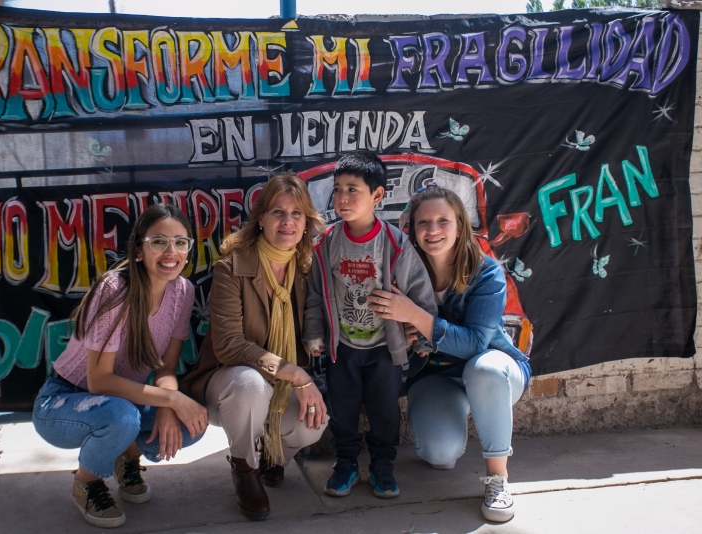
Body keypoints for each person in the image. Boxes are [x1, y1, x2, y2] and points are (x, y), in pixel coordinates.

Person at [32, 203, 209, 529]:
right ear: (139, 250)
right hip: (63, 400)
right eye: (159, 241)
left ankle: (126, 456)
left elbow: (166, 370)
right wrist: (170, 398)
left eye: (181, 242)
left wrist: (170, 406)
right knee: (121, 416)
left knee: (191, 423)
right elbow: (99, 382)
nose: (171, 251)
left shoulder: (183, 291)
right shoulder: (115, 289)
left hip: (125, 401)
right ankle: (87, 481)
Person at [367, 184, 532, 523]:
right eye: (423, 222)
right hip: (435, 375)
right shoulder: (402, 271)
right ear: (410, 229)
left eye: (443, 220)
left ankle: (497, 479)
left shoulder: (485, 272)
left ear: (459, 225)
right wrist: (404, 331)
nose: (433, 230)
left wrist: (415, 316)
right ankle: (455, 415)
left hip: (495, 371)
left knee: (483, 370)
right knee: (440, 454)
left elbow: (475, 344)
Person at [180, 172, 328, 521]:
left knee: (314, 424)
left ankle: (272, 458)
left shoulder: (307, 269)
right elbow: (229, 345)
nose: (287, 221)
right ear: (260, 219)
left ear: (306, 222)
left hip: (279, 386)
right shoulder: (231, 268)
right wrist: (291, 371)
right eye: (278, 212)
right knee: (249, 383)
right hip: (228, 385)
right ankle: (244, 467)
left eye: (296, 214)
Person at [303, 152, 437, 499]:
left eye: (353, 189)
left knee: (384, 409)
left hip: (385, 349)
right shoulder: (327, 244)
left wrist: (422, 337)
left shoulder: (394, 243)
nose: (342, 198)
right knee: (342, 409)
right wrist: (315, 333)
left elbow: (419, 290)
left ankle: (382, 464)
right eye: (337, 190)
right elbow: (316, 293)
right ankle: (345, 462)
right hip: (342, 349)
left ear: (377, 196)